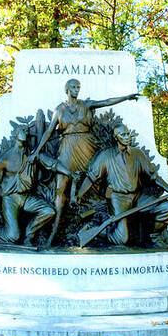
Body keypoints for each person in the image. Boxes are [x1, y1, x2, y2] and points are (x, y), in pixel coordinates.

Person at [30, 79, 138, 244]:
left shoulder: (86, 105)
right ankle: (54, 232)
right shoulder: (59, 110)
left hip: (87, 148)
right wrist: (36, 152)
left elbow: (107, 102)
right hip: (67, 150)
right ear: (66, 89)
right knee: (61, 189)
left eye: (78, 87)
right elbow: (49, 132)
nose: (76, 89)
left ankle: (106, 228)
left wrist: (126, 97)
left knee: (94, 184)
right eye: (73, 86)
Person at [77, 123, 168, 246]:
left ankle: (154, 236)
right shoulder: (106, 156)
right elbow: (91, 178)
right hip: (119, 199)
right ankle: (94, 230)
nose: (127, 137)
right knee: (122, 239)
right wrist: (78, 196)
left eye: (128, 134)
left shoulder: (138, 154)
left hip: (138, 197)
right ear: (116, 137)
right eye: (123, 135)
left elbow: (154, 176)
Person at [0, 126, 55, 245]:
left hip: (26, 197)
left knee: (49, 211)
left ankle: (29, 234)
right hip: (10, 199)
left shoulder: (30, 154)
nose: (25, 132)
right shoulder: (3, 160)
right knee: (14, 236)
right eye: (22, 130)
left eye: (27, 130)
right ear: (15, 134)